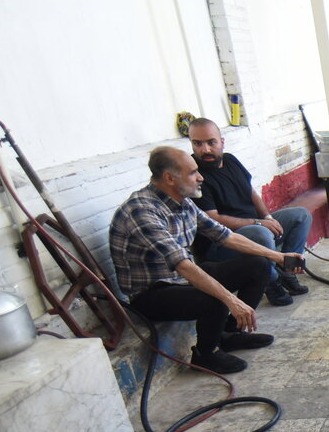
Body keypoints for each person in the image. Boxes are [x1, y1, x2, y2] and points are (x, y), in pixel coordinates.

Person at [109, 146, 304, 374]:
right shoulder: (142, 211)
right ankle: (205, 354)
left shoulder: (183, 202)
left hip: (181, 280)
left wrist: (278, 256)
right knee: (215, 298)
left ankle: (230, 333)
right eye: (193, 173)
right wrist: (231, 300)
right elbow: (183, 265)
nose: (201, 177)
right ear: (170, 178)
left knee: (259, 264)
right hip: (153, 293)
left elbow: (224, 235)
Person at [187, 117, 312, 307]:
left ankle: (287, 270)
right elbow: (212, 219)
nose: (205, 150)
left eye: (211, 142)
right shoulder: (194, 174)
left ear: (221, 142)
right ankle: (271, 282)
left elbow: (251, 191)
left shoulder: (230, 160)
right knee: (261, 234)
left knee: (301, 215)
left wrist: (268, 217)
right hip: (221, 244)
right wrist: (260, 223)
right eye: (197, 144)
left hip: (253, 224)